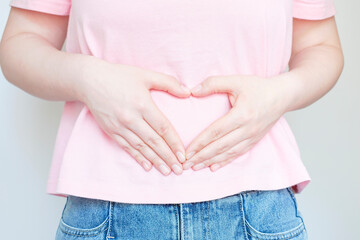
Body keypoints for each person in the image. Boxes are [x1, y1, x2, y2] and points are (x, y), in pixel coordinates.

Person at [0, 0, 344, 239]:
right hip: (106, 205)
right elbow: (20, 43)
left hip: (258, 204)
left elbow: (320, 45)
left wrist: (280, 93)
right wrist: (87, 78)